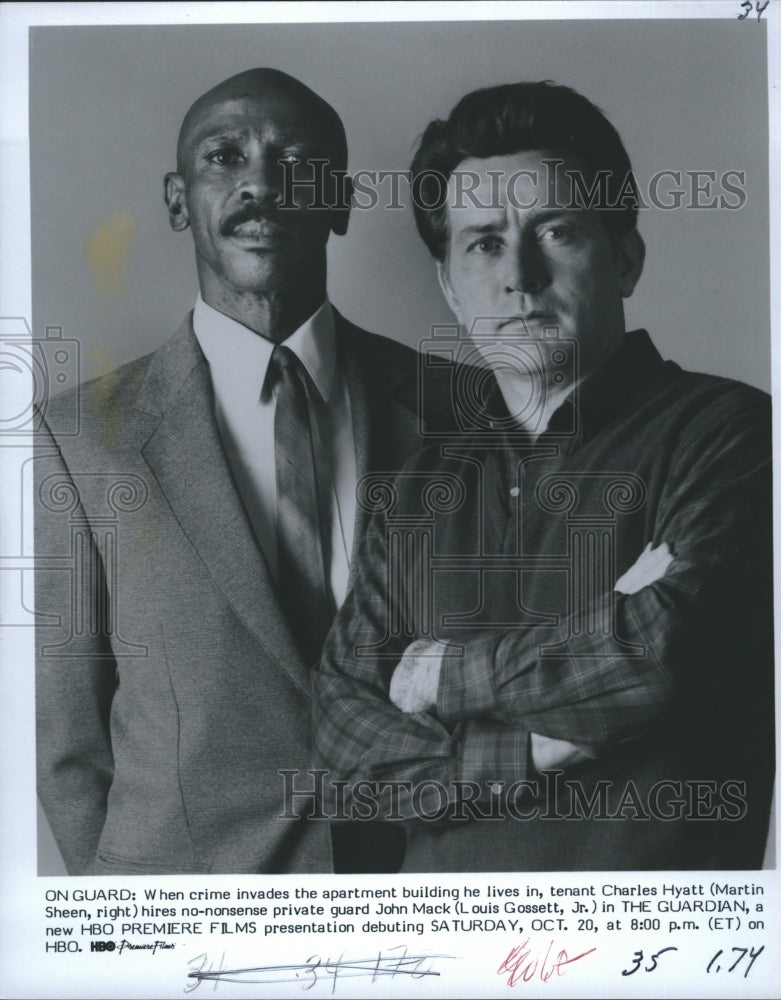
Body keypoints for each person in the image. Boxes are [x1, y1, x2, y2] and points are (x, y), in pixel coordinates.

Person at [313, 81, 774, 871]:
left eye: (555, 231)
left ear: (624, 258)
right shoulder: (420, 488)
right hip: (437, 962)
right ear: (451, 291)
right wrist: (527, 752)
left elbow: (665, 653)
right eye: (483, 243)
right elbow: (344, 742)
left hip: (651, 957)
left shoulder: (730, 433)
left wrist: (441, 673)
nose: (518, 275)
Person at [34, 68, 460, 875]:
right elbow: (67, 736)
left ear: (338, 200)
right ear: (175, 200)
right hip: (184, 918)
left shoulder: (463, 413)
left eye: (296, 163)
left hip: (419, 896)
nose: (261, 184)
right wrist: (127, 918)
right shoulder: (79, 436)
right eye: (223, 158)